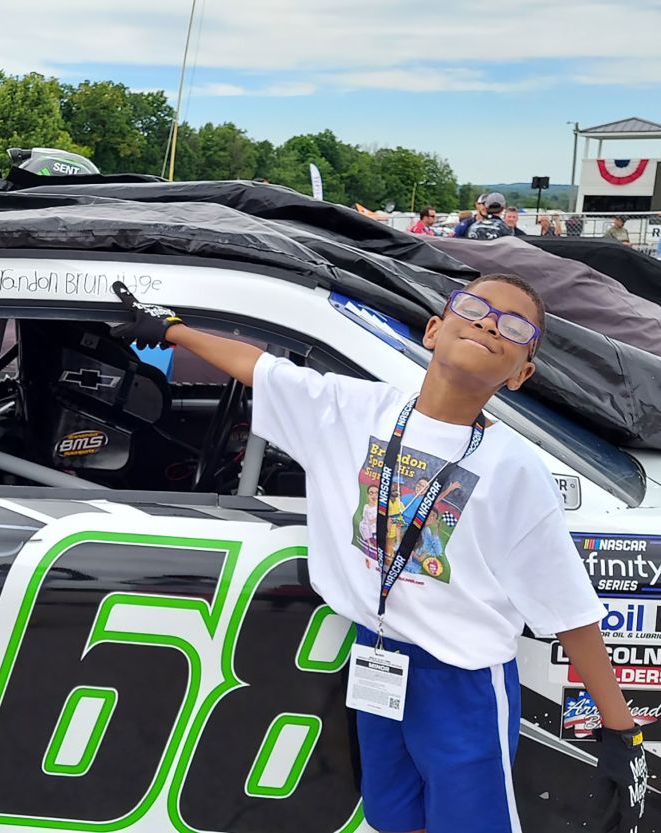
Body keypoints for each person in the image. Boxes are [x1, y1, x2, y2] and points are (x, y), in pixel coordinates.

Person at [109, 275, 647, 833]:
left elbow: (567, 608)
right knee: (393, 816)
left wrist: (619, 727)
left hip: (462, 684)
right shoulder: (351, 409)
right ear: (434, 331)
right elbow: (259, 367)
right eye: (475, 308)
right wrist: (175, 331)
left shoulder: (515, 471)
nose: (490, 322)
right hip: (378, 658)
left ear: (520, 374)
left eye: (514, 327)